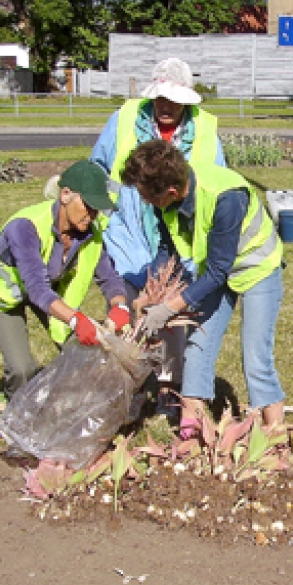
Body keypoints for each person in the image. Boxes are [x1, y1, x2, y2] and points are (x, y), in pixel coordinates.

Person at [121, 138, 287, 434]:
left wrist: (169, 308)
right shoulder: (166, 199)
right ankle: (192, 426)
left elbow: (218, 271)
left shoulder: (226, 197)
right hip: (216, 269)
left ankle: (274, 430)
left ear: (170, 191)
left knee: (255, 355)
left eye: (147, 196)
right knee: (198, 343)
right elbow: (166, 249)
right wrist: (152, 289)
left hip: (257, 268)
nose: (144, 201)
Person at [90, 58, 227, 399]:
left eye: (174, 100)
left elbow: (219, 181)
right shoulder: (124, 119)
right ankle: (125, 389)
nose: (166, 106)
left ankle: (168, 388)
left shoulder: (205, 129)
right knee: (128, 308)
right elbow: (98, 168)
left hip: (179, 235)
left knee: (168, 313)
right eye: (160, 99)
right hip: (129, 234)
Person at [0, 160, 131, 398]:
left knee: (82, 353)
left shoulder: (89, 232)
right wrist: (75, 320)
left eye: (97, 209)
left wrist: (120, 305)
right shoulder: (25, 228)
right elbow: (37, 289)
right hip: (7, 292)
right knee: (22, 369)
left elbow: (109, 277)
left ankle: (72, 405)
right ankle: (19, 416)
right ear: (65, 195)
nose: (92, 215)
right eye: (88, 206)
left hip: (48, 287)